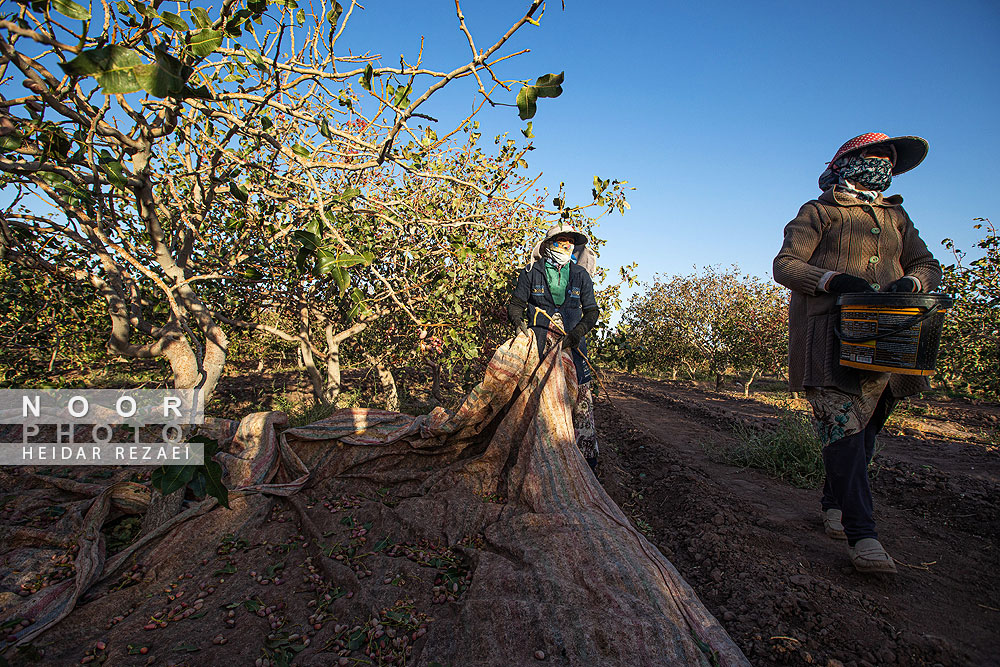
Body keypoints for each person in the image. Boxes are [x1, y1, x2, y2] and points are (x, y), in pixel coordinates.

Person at [773, 132, 942, 574]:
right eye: (874, 155)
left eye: (888, 158)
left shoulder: (897, 217)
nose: (882, 163)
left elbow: (928, 264)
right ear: (848, 160)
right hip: (828, 338)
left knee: (865, 435)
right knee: (844, 431)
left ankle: (834, 503)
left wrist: (913, 283)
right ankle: (863, 535)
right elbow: (785, 265)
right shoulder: (819, 211)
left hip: (889, 340)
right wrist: (833, 280)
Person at [507, 224, 602, 471]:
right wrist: (519, 323)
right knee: (535, 397)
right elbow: (516, 304)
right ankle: (533, 459)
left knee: (579, 397)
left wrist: (578, 332)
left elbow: (592, 311)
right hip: (540, 344)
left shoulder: (580, 275)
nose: (567, 246)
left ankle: (584, 463)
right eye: (561, 241)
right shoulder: (531, 272)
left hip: (573, 346)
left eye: (570, 242)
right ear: (549, 244)